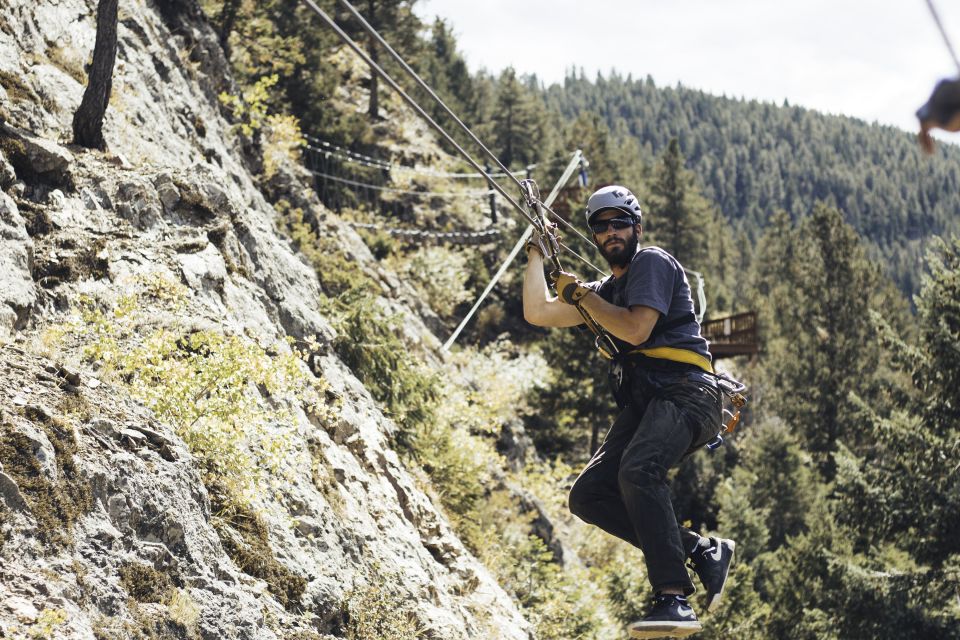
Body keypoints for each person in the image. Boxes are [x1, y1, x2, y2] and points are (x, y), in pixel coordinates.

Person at [522, 185, 735, 639]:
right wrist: (536, 255)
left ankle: (673, 598)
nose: (610, 231)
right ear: (595, 236)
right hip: (650, 403)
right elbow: (538, 312)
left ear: (637, 228)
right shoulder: (604, 291)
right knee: (589, 496)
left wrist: (581, 296)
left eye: (619, 222)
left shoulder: (651, 263)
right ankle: (699, 551)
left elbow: (637, 330)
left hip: (688, 393)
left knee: (639, 470)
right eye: (601, 226)